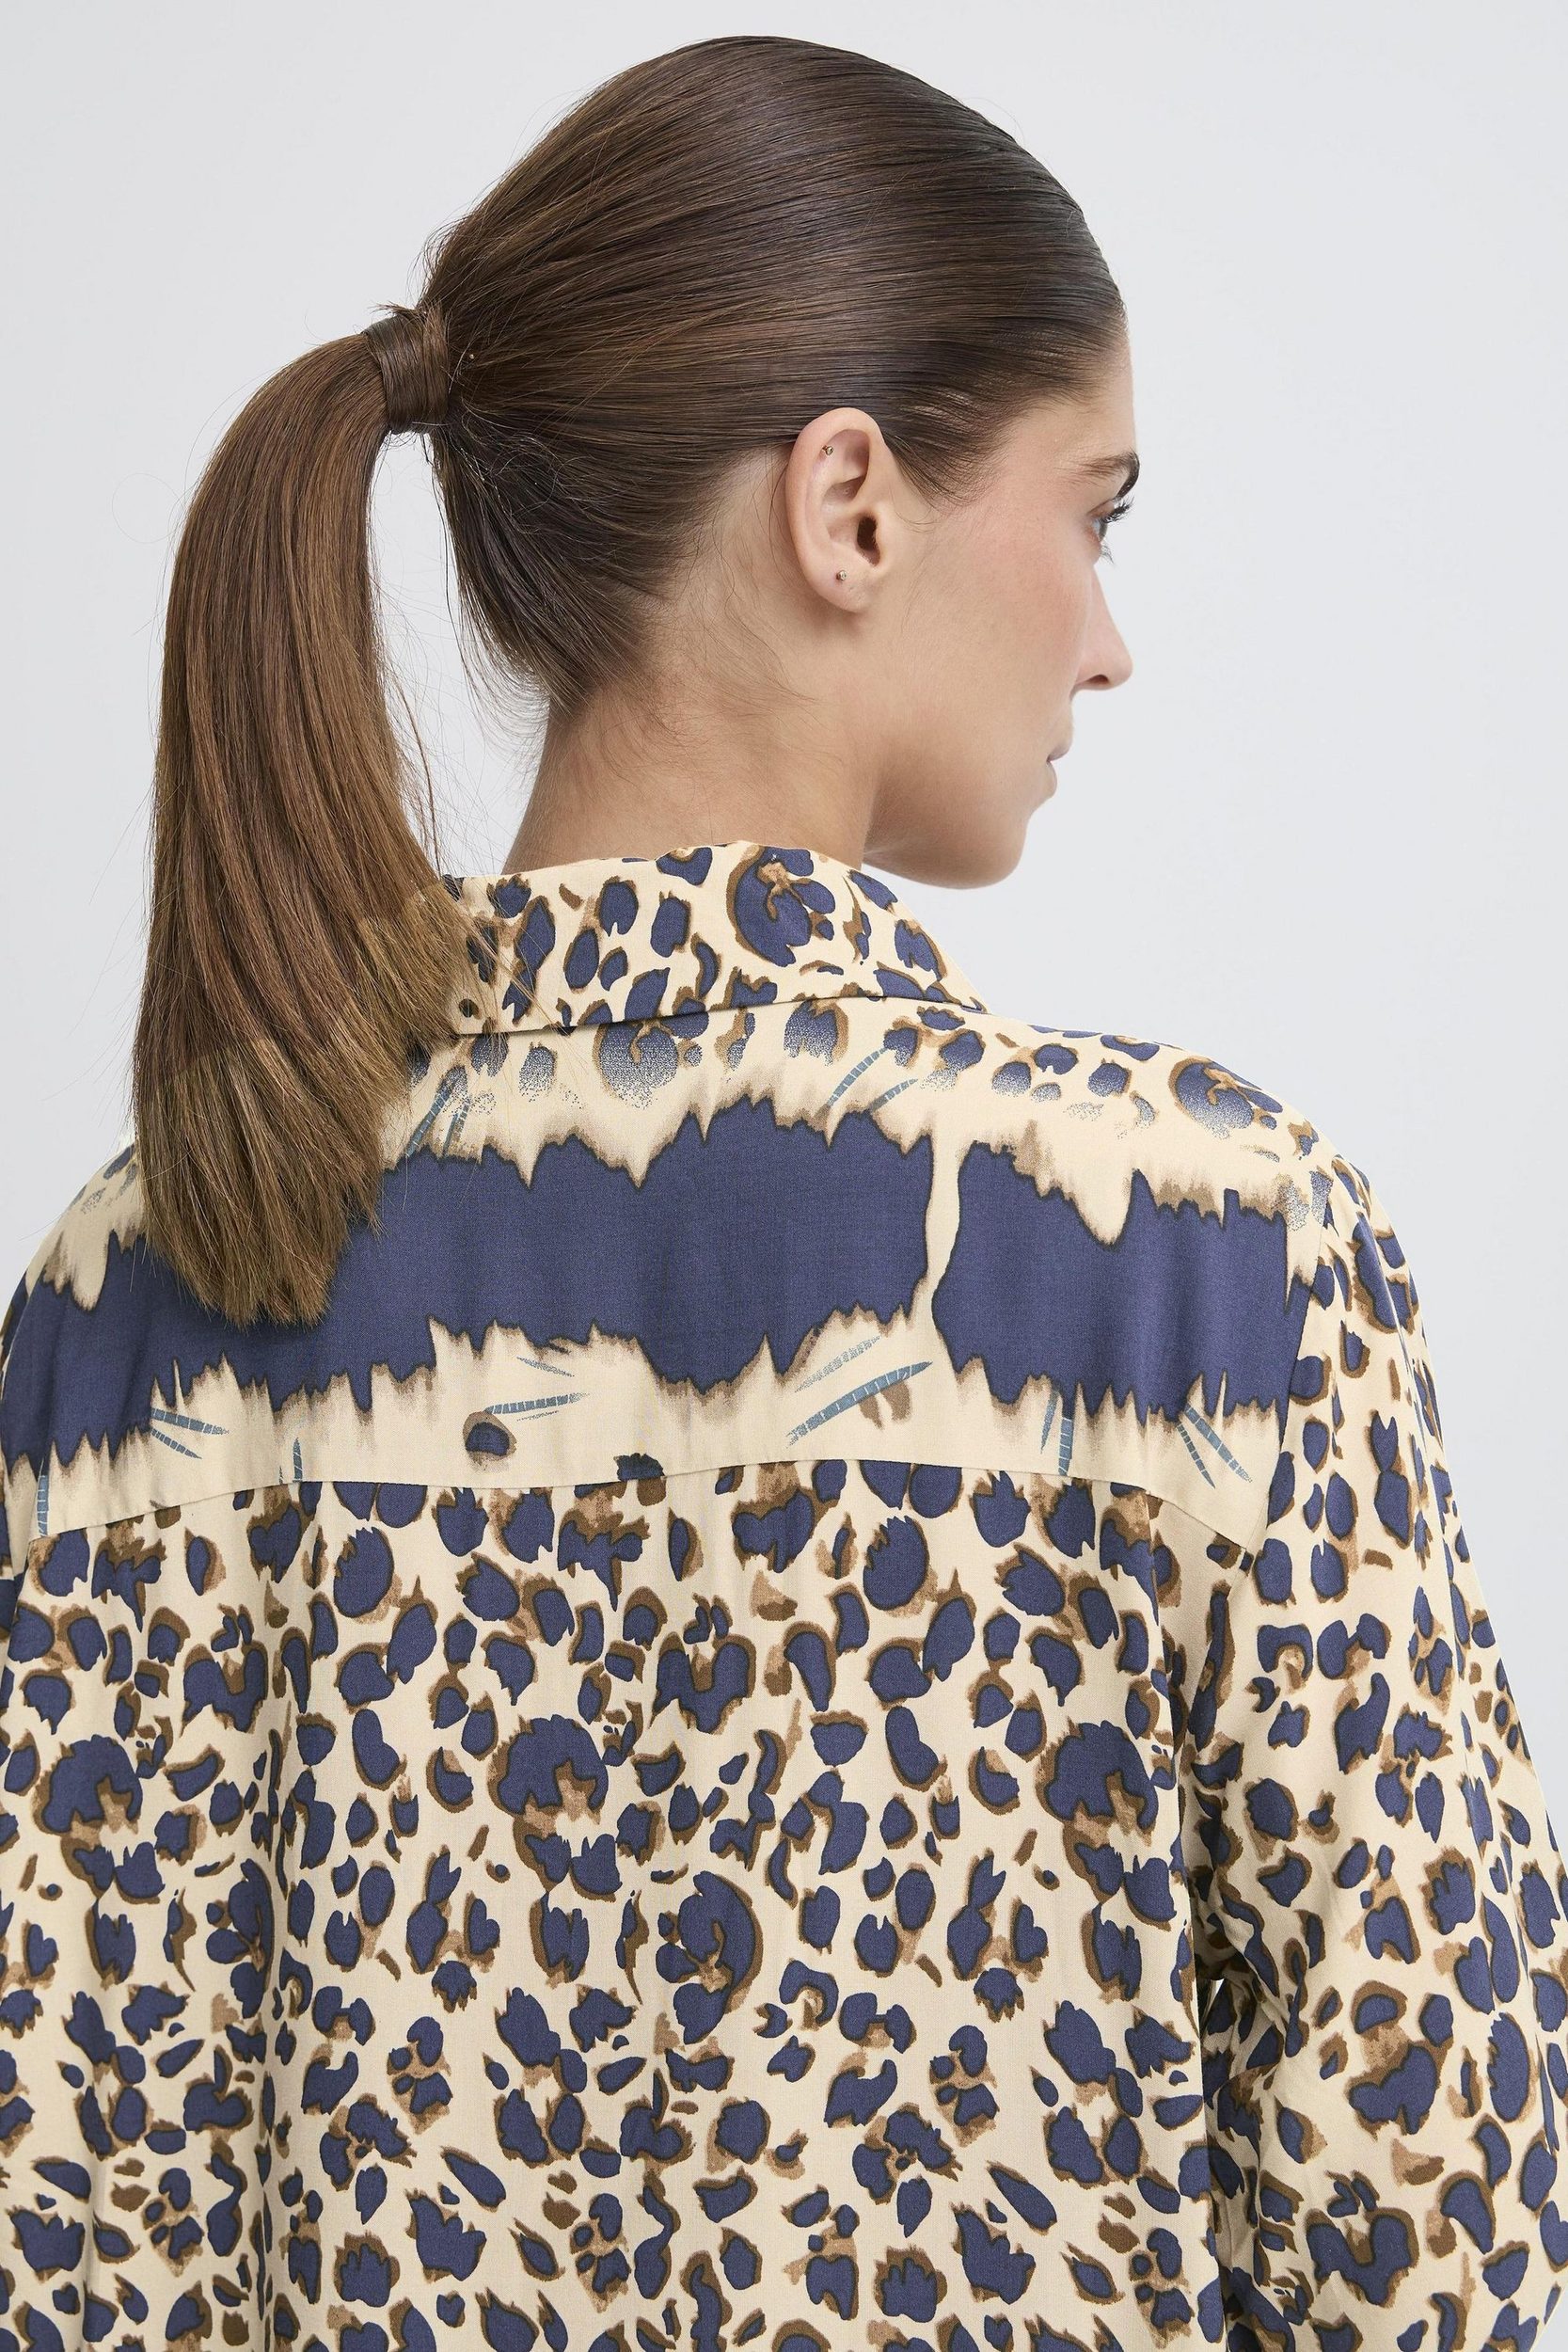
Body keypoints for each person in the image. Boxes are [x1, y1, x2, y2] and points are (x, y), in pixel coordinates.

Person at [0, 31, 1563, 2352]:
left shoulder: (138, 1281)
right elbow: (1435, 2227)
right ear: (851, 506)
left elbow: (73, 2231)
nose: (1110, 637)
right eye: (1098, 511)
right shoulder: (1203, 1257)